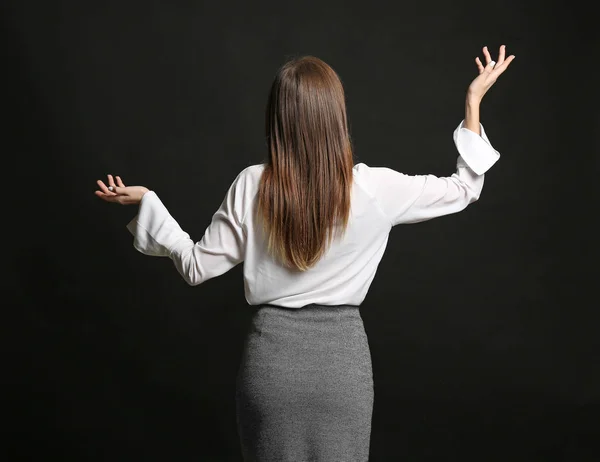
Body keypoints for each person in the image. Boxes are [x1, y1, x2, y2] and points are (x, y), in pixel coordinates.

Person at [95, 45, 514, 461]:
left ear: (277, 118)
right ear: (337, 116)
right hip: (343, 370)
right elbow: (464, 189)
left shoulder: (252, 185)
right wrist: (473, 102)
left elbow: (195, 267)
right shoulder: (375, 188)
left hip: (272, 368)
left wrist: (150, 201)